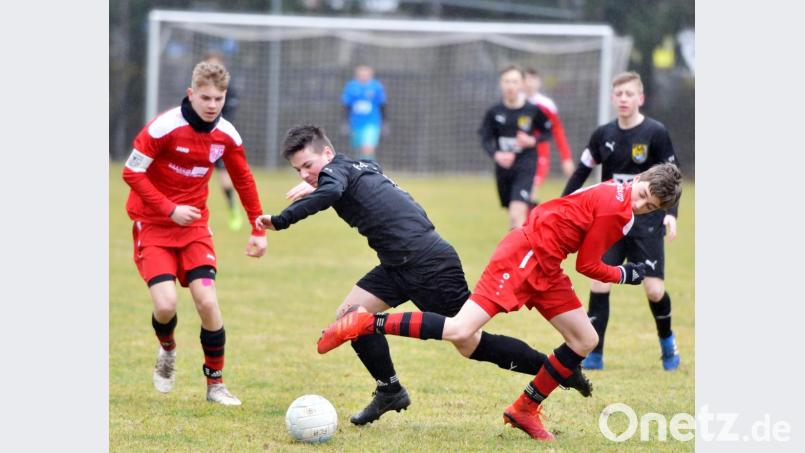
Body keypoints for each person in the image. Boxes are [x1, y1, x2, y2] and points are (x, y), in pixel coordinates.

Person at [254, 124, 592, 426]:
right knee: (349, 316)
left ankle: (556, 370)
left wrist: (282, 219)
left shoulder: (335, 176)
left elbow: (331, 191)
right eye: (298, 170)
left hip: (430, 263)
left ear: (327, 153)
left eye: (308, 166)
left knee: (468, 342)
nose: (303, 175)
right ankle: (390, 391)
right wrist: (318, 184)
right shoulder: (355, 165)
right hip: (396, 263)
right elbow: (349, 182)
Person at [317, 163, 683, 441]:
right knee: (462, 330)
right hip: (525, 255)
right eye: (643, 194)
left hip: (547, 264)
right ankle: (366, 323)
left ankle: (525, 408)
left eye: (649, 207)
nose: (641, 204)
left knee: (584, 340)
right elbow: (588, 266)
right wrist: (627, 275)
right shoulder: (616, 210)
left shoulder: (617, 191)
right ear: (640, 179)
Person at [122, 60, 268, 406]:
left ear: (224, 97)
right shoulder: (163, 128)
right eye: (205, 97)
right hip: (154, 225)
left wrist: (258, 228)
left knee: (207, 301)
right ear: (192, 94)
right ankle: (168, 349)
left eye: (218, 98)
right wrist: (169, 209)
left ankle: (215, 385)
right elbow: (132, 172)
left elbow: (244, 180)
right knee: (166, 304)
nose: (212, 105)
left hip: (195, 230)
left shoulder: (226, 135)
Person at [561, 71, 682, 371]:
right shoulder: (603, 135)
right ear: (613, 99)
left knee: (654, 290)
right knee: (599, 281)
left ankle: (667, 343)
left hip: (647, 223)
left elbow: (672, 179)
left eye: (630, 94)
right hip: (610, 220)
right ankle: (595, 354)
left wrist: (670, 215)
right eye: (619, 95)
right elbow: (581, 171)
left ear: (640, 98)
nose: (624, 99)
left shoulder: (655, 132)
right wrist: (562, 204)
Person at [479, 65, 552, 230]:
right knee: (512, 216)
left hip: (525, 164)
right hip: (503, 168)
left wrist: (532, 140)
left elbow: (548, 131)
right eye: (506, 81)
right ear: (501, 84)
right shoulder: (494, 112)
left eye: (514, 81)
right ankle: (524, 244)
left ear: (521, 85)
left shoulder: (532, 110)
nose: (510, 85)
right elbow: (485, 138)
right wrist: (496, 155)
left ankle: (518, 254)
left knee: (515, 215)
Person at [204, 51, 244, 231]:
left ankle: (233, 208)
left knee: (223, 176)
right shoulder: (198, 87)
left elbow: (229, 116)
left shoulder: (230, 89)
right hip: (197, 138)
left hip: (217, 139)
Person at [522, 68, 576, 202]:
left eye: (532, 79)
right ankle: (526, 221)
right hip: (519, 156)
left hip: (539, 155)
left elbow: (557, 132)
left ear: (538, 82)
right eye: (526, 79)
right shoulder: (515, 102)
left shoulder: (546, 105)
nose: (529, 83)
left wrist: (566, 158)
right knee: (520, 195)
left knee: (530, 190)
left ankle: (529, 222)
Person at [341, 64, 387, 162]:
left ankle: (370, 169)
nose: (364, 76)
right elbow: (346, 106)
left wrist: (385, 122)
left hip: (372, 122)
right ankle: (360, 168)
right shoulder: (351, 86)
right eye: (361, 74)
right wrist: (345, 122)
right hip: (356, 123)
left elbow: (382, 105)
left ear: (371, 75)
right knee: (360, 148)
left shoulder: (376, 86)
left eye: (366, 74)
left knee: (368, 147)